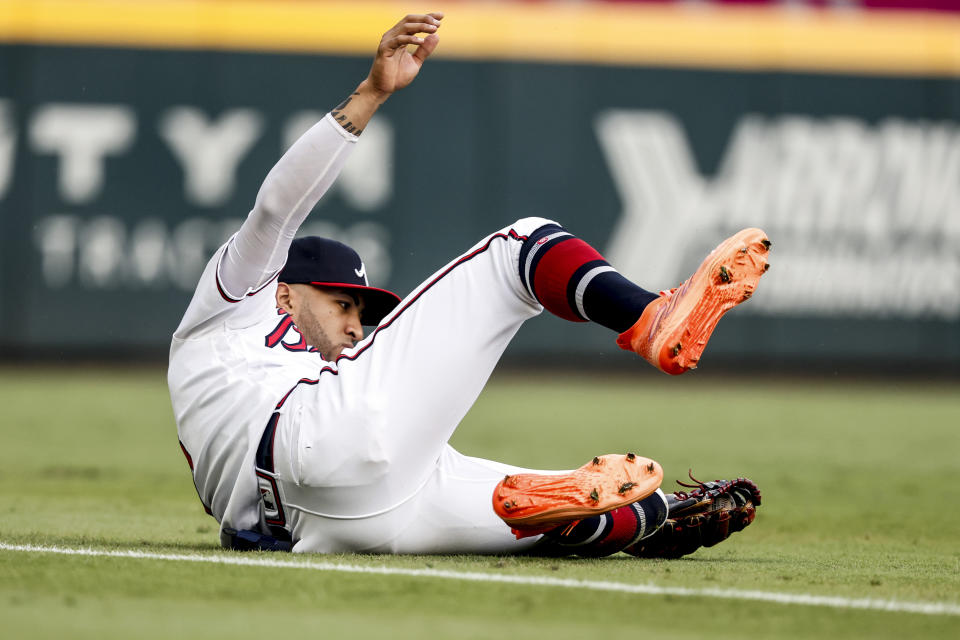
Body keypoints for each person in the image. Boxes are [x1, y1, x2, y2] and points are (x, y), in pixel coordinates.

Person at [169, 12, 767, 556]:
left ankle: (647, 523)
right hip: (315, 443)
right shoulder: (232, 306)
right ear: (282, 290)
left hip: (342, 522)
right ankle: (648, 318)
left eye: (362, 310)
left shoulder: (313, 373)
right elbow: (276, 208)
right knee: (520, 248)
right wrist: (373, 93)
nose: (356, 323)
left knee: (556, 505)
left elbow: (236, 524)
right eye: (340, 302)